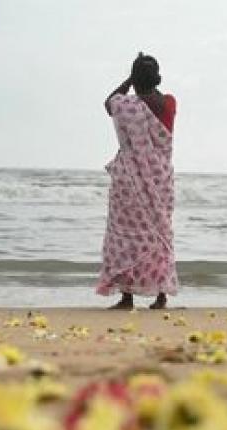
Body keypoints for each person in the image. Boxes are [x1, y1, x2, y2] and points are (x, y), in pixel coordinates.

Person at [96, 52, 179, 310]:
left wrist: (130, 79)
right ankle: (161, 296)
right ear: (157, 77)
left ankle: (127, 297)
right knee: (159, 233)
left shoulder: (125, 105)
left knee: (124, 237)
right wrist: (140, 77)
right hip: (159, 178)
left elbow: (108, 103)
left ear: (135, 78)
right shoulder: (168, 103)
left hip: (128, 181)